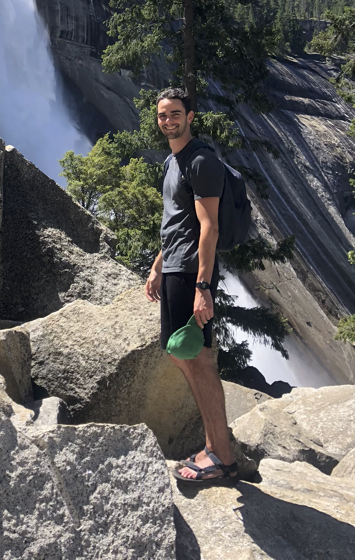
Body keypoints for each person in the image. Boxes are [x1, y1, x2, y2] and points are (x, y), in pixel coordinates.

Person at [146, 87, 238, 483]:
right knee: (180, 353)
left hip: (191, 275)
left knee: (198, 360)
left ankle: (222, 457)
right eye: (163, 115)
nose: (168, 120)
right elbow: (175, 223)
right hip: (173, 270)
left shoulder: (201, 162)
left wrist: (203, 286)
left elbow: (209, 227)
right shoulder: (171, 161)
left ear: (190, 116)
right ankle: (213, 445)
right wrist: (155, 267)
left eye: (175, 114)